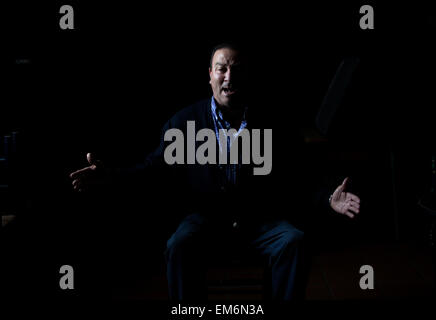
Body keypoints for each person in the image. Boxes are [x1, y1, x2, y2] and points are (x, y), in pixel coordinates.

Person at [69, 43, 361, 300]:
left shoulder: (273, 123)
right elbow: (152, 170)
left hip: (260, 222)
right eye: (222, 69)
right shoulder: (184, 123)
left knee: (293, 240)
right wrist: (112, 177)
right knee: (179, 245)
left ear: (247, 75)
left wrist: (327, 199)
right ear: (210, 75)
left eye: (237, 70)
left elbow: (299, 175)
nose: (229, 77)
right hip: (204, 221)